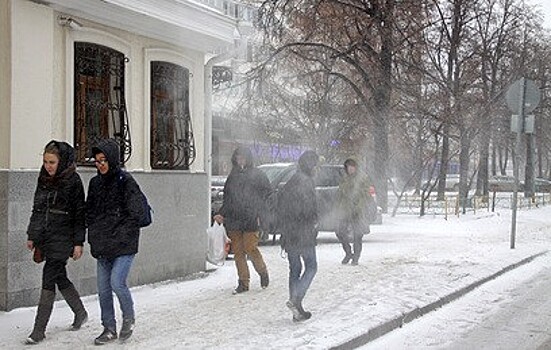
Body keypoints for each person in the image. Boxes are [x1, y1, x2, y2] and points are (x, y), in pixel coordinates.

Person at [25, 140, 88, 344]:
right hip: (45, 235)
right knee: (59, 277)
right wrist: (32, 235)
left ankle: (38, 330)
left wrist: (78, 242)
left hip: (64, 236)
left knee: (49, 275)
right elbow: (37, 207)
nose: (48, 166)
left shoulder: (73, 180)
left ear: (61, 161)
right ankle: (80, 313)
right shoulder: (43, 177)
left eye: (52, 162)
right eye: (45, 162)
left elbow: (80, 214)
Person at [86, 139, 144, 345]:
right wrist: (92, 236)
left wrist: (119, 233)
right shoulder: (94, 184)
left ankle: (128, 319)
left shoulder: (125, 181)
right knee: (103, 289)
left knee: (117, 283)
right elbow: (90, 213)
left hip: (123, 244)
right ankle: (108, 327)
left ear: (112, 160)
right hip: (103, 245)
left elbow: (136, 213)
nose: (100, 164)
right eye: (97, 161)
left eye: (103, 160)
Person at [213, 147, 271, 294]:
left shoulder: (258, 175)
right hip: (234, 218)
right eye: (238, 157)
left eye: (243, 157)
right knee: (238, 252)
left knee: (250, 248)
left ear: (248, 158)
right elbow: (228, 198)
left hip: (251, 218)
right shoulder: (233, 176)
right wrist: (221, 213)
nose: (240, 160)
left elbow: (267, 196)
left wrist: (261, 214)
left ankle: (262, 271)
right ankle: (243, 282)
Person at [277, 150, 319, 322]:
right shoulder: (305, 181)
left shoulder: (292, 180)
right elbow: (307, 209)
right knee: (311, 266)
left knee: (294, 269)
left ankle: (297, 310)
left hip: (289, 231)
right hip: (302, 232)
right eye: (316, 165)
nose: (317, 168)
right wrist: (314, 221)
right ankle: (296, 299)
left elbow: (282, 207)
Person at [335, 158, 375, 265]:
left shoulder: (362, 178)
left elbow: (366, 195)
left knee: (358, 235)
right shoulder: (344, 179)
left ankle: (356, 257)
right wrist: (337, 207)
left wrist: (359, 206)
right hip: (345, 210)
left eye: (352, 166)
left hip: (358, 211)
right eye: (348, 166)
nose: (350, 169)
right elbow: (340, 194)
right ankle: (348, 253)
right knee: (340, 232)